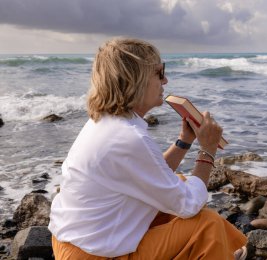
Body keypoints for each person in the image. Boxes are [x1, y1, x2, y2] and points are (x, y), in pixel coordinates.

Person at [48, 37, 248, 260]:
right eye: (159, 73)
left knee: (179, 182)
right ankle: (221, 250)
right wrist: (208, 150)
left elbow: (151, 174)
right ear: (137, 79)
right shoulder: (128, 137)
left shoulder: (105, 122)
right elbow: (189, 204)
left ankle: (224, 251)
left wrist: (184, 141)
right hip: (93, 255)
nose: (165, 80)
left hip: (75, 243)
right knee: (206, 224)